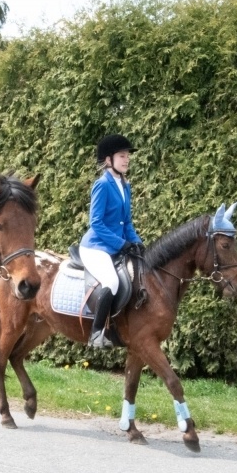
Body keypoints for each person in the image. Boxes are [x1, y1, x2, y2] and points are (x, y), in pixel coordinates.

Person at [79, 134, 146, 349]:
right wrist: (121, 244)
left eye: (127, 156)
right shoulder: (102, 185)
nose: (127, 160)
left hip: (113, 246)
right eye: (122, 156)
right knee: (112, 281)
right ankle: (96, 333)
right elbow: (96, 223)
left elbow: (126, 222)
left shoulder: (125, 186)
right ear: (109, 160)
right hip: (95, 247)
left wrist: (136, 242)